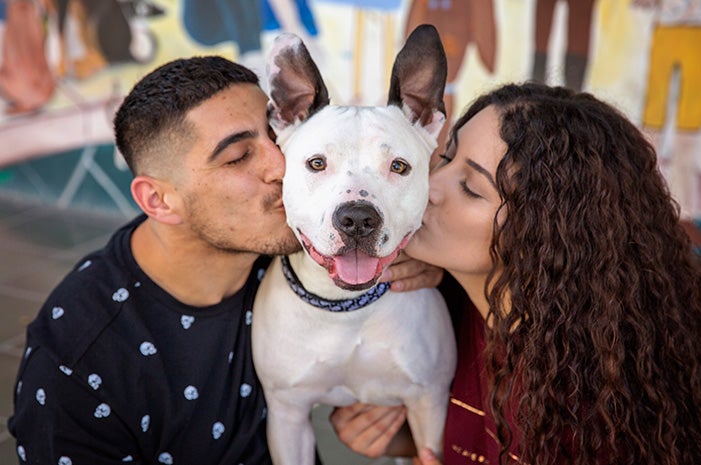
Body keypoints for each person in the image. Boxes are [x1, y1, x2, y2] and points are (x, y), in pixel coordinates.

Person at [8, 55, 440, 465]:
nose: (281, 166)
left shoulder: (304, 252)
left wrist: (434, 268)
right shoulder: (77, 365)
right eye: (237, 156)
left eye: (277, 136)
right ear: (158, 199)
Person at [331, 82, 701, 465]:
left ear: (543, 236)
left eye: (470, 188)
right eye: (445, 158)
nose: (428, 185)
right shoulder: (434, 302)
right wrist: (404, 439)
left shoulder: (601, 399)